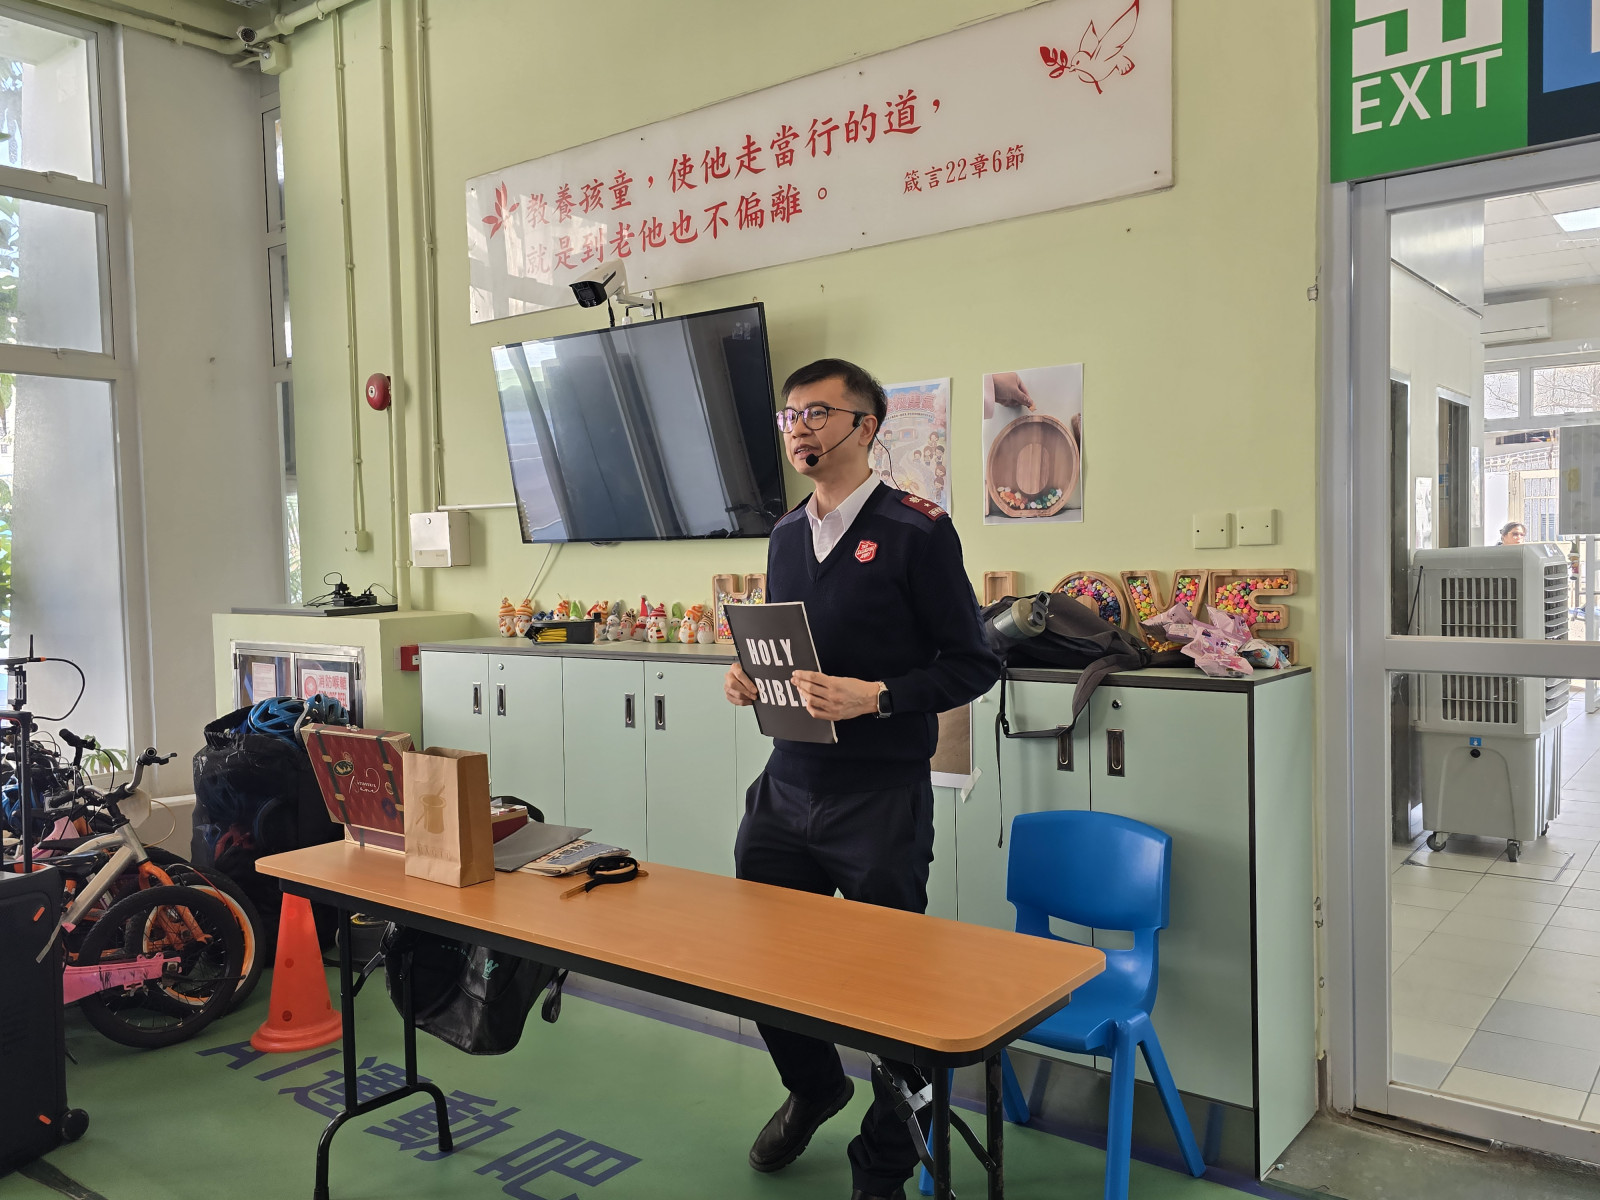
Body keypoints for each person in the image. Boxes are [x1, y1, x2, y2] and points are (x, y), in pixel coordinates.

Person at [724, 358, 1002, 1200]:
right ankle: (814, 1087)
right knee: (764, 962)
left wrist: (878, 696)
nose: (799, 429)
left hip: (879, 797)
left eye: (817, 412)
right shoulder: (784, 536)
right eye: (790, 416)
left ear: (865, 427)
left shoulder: (918, 532)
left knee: (893, 987)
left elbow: (973, 663)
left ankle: (883, 1161)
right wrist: (751, 677)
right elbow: (795, 650)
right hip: (785, 786)